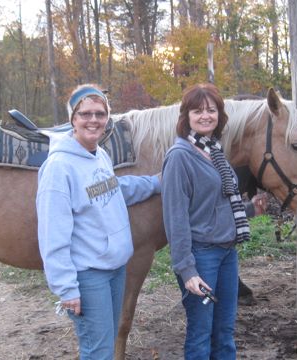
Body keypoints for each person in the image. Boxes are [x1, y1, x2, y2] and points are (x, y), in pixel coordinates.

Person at [36, 84, 160, 359]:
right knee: (98, 352)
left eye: (100, 114)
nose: (93, 120)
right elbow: (52, 232)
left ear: (107, 119)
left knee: (105, 345)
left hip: (114, 270)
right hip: (88, 275)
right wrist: (66, 288)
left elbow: (114, 189)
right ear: (73, 119)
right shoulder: (59, 168)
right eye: (86, 113)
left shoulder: (99, 155)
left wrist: (155, 183)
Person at [161, 83, 267, 359]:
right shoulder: (180, 157)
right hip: (200, 257)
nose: (205, 116)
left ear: (219, 114)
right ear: (186, 117)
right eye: (198, 111)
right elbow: (176, 218)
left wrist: (250, 210)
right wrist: (187, 270)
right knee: (200, 334)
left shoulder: (214, 151)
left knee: (224, 332)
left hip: (226, 254)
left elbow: (215, 205)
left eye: (211, 110)